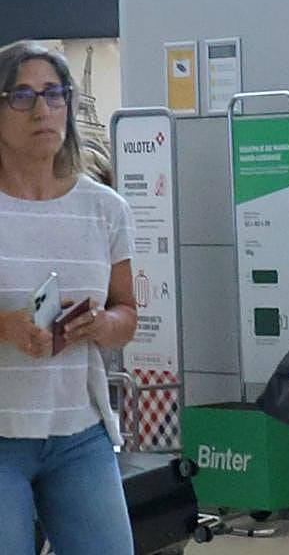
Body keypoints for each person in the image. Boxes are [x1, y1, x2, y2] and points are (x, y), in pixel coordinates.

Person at [0, 40, 138, 555]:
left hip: (78, 431)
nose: (42, 110)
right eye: (22, 96)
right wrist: (5, 326)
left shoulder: (105, 208)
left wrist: (103, 325)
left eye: (55, 94)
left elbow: (127, 312)